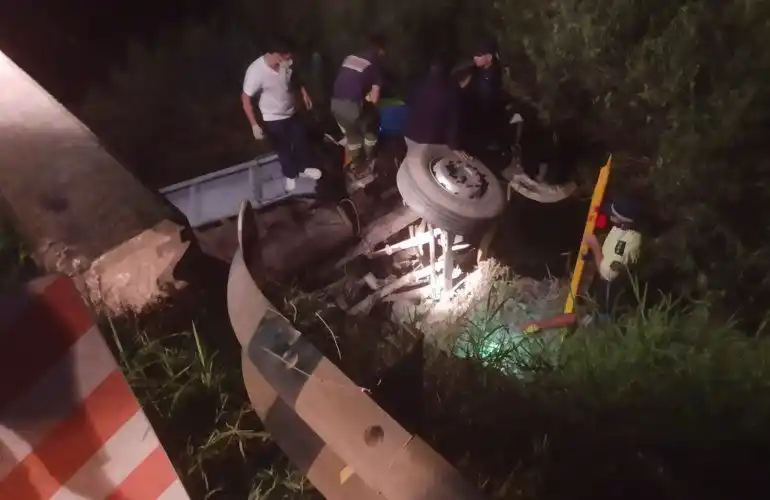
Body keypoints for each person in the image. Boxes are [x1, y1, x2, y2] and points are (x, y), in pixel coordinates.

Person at [241, 37, 322, 192]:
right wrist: (254, 124)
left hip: (291, 112)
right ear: (276, 55)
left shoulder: (286, 64)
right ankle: (290, 175)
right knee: (283, 149)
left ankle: (305, 168)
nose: (290, 60)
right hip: (273, 118)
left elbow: (295, 77)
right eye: (287, 57)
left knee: (301, 140)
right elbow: (245, 98)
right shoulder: (256, 73)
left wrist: (304, 93)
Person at [331, 35, 386, 181]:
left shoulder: (350, 58)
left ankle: (356, 164)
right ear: (380, 50)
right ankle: (371, 157)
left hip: (335, 106)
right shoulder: (374, 63)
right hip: (352, 107)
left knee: (353, 134)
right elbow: (374, 99)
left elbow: (346, 83)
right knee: (373, 120)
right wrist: (368, 97)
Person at [582, 196, 643, 316]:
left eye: (613, 213)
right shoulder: (621, 228)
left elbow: (608, 274)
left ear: (623, 220)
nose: (610, 214)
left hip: (610, 291)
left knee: (603, 314)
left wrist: (595, 246)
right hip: (601, 282)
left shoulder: (626, 243)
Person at [403, 58, 471, 160]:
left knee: (410, 160)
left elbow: (408, 100)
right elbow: (453, 124)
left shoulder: (418, 83)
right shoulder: (452, 93)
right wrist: (455, 147)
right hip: (430, 141)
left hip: (410, 134)